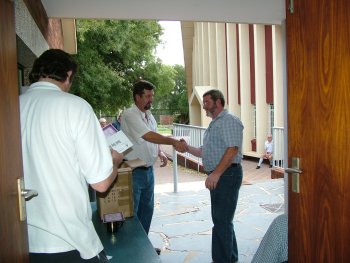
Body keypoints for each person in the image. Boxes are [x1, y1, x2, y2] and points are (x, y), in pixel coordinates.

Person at [20, 49, 124, 263]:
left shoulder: (12, 107)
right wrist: (115, 161)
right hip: (69, 241)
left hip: (23, 241)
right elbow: (101, 184)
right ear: (68, 75)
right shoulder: (76, 107)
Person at [121, 80, 188, 254]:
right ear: (137, 97)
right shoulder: (130, 114)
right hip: (133, 172)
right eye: (148, 96)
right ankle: (130, 251)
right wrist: (173, 141)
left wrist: (160, 152)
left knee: (147, 211)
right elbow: (148, 135)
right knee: (132, 215)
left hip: (149, 171)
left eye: (152, 96)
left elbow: (153, 138)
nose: (151, 99)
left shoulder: (149, 115)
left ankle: (142, 247)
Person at [185, 89, 244, 263]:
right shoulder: (215, 123)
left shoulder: (229, 121)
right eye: (203, 103)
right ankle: (230, 259)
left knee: (221, 222)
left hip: (227, 175)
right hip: (222, 175)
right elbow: (205, 151)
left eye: (207, 102)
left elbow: (233, 149)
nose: (204, 106)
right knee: (223, 221)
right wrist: (187, 148)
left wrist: (216, 174)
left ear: (218, 103)